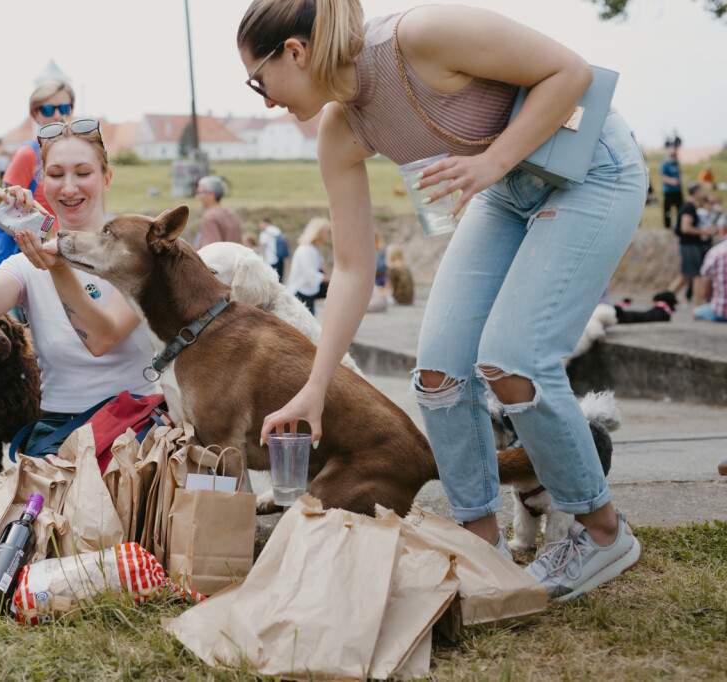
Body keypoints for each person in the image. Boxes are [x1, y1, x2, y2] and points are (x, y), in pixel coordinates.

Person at [239, 0, 647, 600]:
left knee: (515, 360)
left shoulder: (421, 36)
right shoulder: (340, 131)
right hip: (502, 189)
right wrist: (315, 386)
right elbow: (352, 269)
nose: (266, 99)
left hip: (592, 171)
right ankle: (483, 548)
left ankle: (603, 531)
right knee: (437, 375)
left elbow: (571, 74)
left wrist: (493, 160)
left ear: (295, 53)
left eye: (258, 80)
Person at [0, 118, 156, 445]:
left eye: (83, 173)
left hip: (135, 421)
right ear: (41, 181)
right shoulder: (27, 263)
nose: (69, 188)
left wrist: (58, 267)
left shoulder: (138, 253)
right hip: (59, 426)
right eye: (56, 175)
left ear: (106, 179)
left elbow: (102, 339)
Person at [0, 78, 76, 277]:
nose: (58, 115)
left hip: (68, 253)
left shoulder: (77, 151)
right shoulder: (28, 153)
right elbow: (4, 211)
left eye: (64, 108)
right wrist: (43, 239)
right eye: (48, 110)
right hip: (30, 260)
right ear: (35, 113)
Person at [667, 183, 717, 304]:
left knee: (685, 276)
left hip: (687, 245)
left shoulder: (689, 206)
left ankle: (664, 298)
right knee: (697, 275)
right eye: (702, 190)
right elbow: (685, 228)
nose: (703, 193)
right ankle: (698, 305)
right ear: (696, 192)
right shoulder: (688, 207)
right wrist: (703, 231)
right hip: (689, 245)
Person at [287, 217, 332, 313]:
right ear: (319, 232)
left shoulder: (314, 249)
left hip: (309, 290)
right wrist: (331, 279)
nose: (329, 235)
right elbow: (311, 275)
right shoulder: (306, 250)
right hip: (301, 292)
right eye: (327, 232)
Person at [195, 176, 243, 247]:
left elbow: (211, 249)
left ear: (212, 195)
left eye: (200, 192)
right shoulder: (232, 213)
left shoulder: (210, 217)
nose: (197, 197)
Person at [693, 232, 727, 323]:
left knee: (695, 312)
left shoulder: (715, 252)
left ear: (723, 229)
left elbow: (705, 292)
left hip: (720, 311)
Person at [259, 217, 288, 281]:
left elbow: (262, 247)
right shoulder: (277, 230)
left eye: (261, 223)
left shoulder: (264, 233)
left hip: (270, 259)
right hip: (280, 258)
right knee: (280, 279)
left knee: (271, 279)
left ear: (266, 223)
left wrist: (261, 258)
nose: (260, 225)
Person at [661, 147, 682, 230]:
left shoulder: (676, 163)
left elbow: (679, 174)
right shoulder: (665, 164)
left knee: (680, 208)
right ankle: (667, 226)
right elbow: (663, 177)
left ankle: (679, 225)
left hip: (677, 190)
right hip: (669, 191)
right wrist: (672, 181)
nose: (673, 157)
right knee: (667, 210)